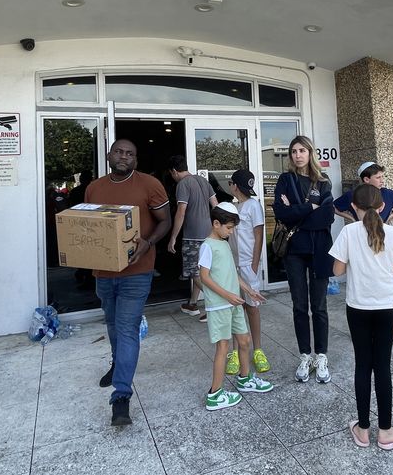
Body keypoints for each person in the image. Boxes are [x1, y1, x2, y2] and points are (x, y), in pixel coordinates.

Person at [85, 139, 172, 426]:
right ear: (109, 155)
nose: (124, 157)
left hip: (137, 270)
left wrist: (148, 243)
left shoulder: (149, 185)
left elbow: (165, 221)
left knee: (127, 328)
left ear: (136, 159)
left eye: (130, 154)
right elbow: (89, 227)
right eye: (119, 152)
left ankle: (121, 395)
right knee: (112, 324)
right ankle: (117, 363)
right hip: (103, 272)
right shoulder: (94, 188)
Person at [330, 183, 393, 450]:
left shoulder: (348, 232)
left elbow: (338, 271)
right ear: (382, 206)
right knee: (383, 367)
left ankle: (363, 430)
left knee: (363, 366)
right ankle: (386, 431)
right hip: (387, 307)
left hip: (358, 307)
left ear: (353, 207)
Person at [272, 135, 335, 383]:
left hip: (319, 249)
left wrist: (295, 211)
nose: (298, 155)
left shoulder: (323, 181)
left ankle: (321, 356)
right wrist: (310, 208)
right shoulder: (285, 180)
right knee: (299, 305)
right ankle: (305, 355)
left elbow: (327, 217)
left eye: (302, 150)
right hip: (294, 251)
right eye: (294, 151)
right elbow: (281, 213)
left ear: (310, 153)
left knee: (319, 306)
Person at [199, 203, 274, 410]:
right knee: (223, 347)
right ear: (216, 224)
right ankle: (215, 394)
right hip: (219, 306)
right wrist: (228, 296)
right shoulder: (207, 246)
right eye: (229, 228)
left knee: (244, 340)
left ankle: (245, 378)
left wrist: (249, 291)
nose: (231, 232)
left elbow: (232, 273)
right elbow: (204, 277)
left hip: (233, 303)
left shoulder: (224, 244)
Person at [334, 161, 393, 351]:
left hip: (363, 299)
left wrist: (391, 216)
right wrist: (351, 218)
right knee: (381, 357)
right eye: (378, 177)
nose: (382, 180)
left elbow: (337, 270)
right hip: (376, 298)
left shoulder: (387, 197)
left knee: (363, 355)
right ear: (366, 179)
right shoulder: (353, 227)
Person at [224, 169, 270, 375]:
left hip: (248, 264)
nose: (230, 186)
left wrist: (254, 264)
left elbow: (258, 235)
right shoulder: (232, 207)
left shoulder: (253, 205)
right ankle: (235, 352)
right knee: (236, 308)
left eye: (231, 183)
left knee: (252, 307)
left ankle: (258, 350)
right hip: (233, 264)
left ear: (235, 186)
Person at [167, 155, 217, 322]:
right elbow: (216, 206)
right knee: (201, 270)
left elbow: (181, 212)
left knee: (193, 272)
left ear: (174, 171)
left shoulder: (182, 184)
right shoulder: (203, 181)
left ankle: (216, 302)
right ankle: (193, 304)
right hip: (208, 234)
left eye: (171, 174)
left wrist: (173, 237)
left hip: (192, 236)